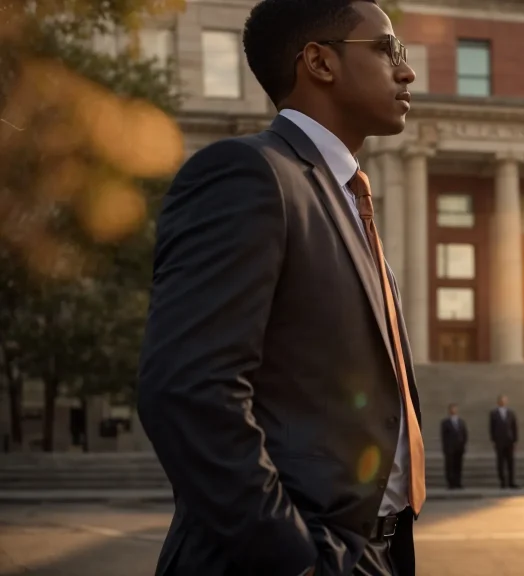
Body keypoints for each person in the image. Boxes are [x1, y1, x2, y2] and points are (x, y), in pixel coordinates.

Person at [135, 1, 422, 575]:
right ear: (319, 62)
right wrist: (293, 558)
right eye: (388, 48)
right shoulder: (248, 175)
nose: (407, 70)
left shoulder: (348, 201)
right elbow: (190, 390)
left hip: (377, 553)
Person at [489, 394, 519, 489]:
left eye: (505, 400)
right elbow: (491, 428)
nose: (503, 402)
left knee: (510, 462)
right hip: (499, 441)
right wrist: (493, 440)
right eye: (502, 400)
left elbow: (514, 427)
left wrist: (515, 440)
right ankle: (502, 481)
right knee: (500, 462)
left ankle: (511, 482)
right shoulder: (493, 413)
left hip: (509, 441)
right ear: (498, 402)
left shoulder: (511, 413)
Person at [440, 403, 467, 489]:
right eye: (452, 409)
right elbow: (444, 437)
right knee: (450, 466)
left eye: (455, 409)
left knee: (458, 466)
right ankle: (450, 483)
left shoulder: (461, 422)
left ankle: (458, 482)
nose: (453, 410)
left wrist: (463, 444)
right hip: (450, 448)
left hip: (459, 448)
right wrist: (445, 448)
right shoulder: (445, 423)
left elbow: (465, 434)